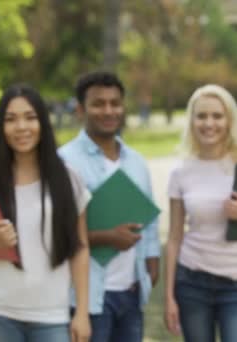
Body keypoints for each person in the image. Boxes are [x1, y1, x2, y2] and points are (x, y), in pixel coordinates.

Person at [0, 84, 91, 342]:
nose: (21, 127)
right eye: (11, 119)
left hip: (51, 315)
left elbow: (80, 247)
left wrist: (81, 313)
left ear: (43, 122)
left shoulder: (68, 178)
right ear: (0, 127)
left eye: (30, 117)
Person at [164, 84, 237, 342]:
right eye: (202, 116)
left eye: (217, 116)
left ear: (229, 120)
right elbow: (174, 238)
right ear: (191, 120)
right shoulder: (181, 171)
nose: (209, 123)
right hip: (191, 282)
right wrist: (169, 297)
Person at [58, 72, 160, 342]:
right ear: (80, 110)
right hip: (87, 296)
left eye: (115, 103)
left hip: (131, 292)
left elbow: (149, 222)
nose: (108, 110)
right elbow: (56, 233)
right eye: (98, 104)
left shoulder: (136, 161)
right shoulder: (64, 161)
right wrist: (107, 237)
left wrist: (152, 262)